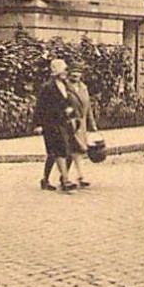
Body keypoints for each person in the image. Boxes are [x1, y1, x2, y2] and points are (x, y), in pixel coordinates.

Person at [33, 58, 77, 191]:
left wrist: (71, 111)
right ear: (56, 71)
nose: (66, 72)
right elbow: (39, 107)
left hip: (64, 122)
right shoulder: (48, 87)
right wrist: (38, 124)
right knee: (60, 151)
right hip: (51, 123)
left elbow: (69, 101)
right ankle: (65, 180)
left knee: (60, 153)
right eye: (64, 69)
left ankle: (46, 180)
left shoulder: (65, 85)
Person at [65, 66, 97, 190]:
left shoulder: (83, 87)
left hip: (81, 123)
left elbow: (88, 106)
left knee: (74, 152)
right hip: (70, 123)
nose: (76, 75)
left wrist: (92, 123)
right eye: (73, 72)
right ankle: (79, 176)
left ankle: (66, 177)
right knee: (75, 150)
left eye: (78, 72)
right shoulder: (65, 87)